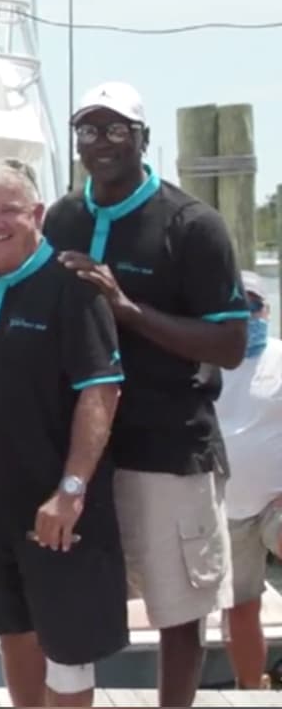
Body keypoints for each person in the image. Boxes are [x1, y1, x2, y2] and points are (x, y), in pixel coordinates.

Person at [0, 81, 249, 706]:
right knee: (67, 609)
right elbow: (19, 263)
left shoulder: (192, 225)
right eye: (89, 131)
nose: (102, 143)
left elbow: (228, 343)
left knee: (176, 610)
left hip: (165, 447)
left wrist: (126, 309)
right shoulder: (61, 216)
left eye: (117, 130)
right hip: (71, 455)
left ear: (142, 139)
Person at [0, 158, 129, 707]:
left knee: (68, 654)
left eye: (9, 210)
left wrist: (70, 492)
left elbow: (102, 391)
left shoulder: (76, 287)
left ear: (37, 214)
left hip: (61, 509)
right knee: (14, 632)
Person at [214, 270, 282, 690]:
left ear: (266, 311)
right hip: (223, 507)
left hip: (277, 501)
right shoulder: (201, 360)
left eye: (252, 305)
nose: (246, 314)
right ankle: (250, 690)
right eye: (235, 308)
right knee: (241, 608)